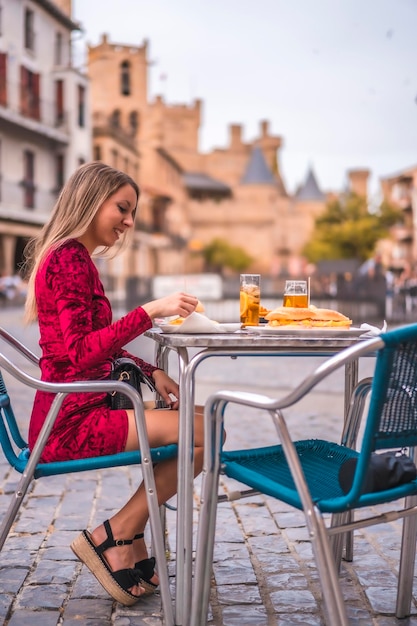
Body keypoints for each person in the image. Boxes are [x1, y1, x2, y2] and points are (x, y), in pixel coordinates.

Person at [23, 161, 205, 606]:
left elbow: (87, 347)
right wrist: (149, 311)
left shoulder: (74, 257)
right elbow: (81, 352)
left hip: (78, 408)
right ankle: (117, 533)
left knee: (199, 422)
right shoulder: (67, 259)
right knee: (204, 434)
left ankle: (128, 535)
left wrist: (149, 370)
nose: (128, 222)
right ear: (90, 199)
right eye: (122, 209)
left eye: (132, 212)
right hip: (67, 423)